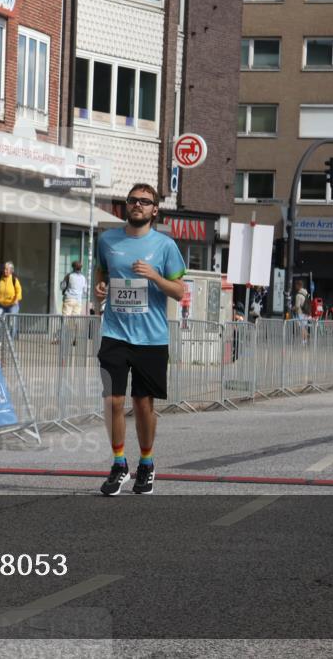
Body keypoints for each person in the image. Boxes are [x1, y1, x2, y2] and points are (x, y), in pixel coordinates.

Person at [95, 183, 186, 496]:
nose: (138, 205)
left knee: (143, 403)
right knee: (113, 401)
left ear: (155, 210)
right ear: (126, 206)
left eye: (145, 202)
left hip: (151, 337)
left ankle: (146, 462)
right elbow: (101, 273)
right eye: (133, 200)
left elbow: (180, 291)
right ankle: (119, 463)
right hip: (115, 333)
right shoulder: (107, 240)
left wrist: (155, 277)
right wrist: (101, 291)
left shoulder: (164, 246)